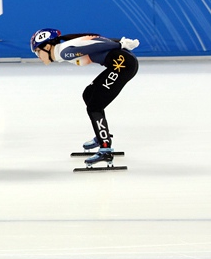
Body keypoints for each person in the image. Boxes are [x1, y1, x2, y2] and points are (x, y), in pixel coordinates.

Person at [30, 29, 139, 165]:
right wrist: (119, 42)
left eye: (37, 52)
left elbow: (94, 46)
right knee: (88, 94)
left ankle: (105, 149)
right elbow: (96, 40)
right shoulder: (63, 50)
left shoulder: (64, 52)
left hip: (123, 65)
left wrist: (119, 44)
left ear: (47, 47)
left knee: (95, 106)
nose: (37, 56)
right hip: (121, 63)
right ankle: (101, 136)